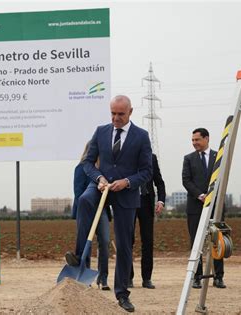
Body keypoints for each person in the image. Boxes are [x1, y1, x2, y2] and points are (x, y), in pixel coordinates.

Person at [65, 95, 153, 312]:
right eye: (112, 113)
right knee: (84, 200)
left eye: (120, 114)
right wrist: (99, 178)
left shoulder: (141, 137)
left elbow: (147, 171)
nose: (115, 118)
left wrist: (127, 182)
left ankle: (122, 293)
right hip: (101, 186)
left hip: (125, 192)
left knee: (123, 245)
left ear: (130, 112)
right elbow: (87, 162)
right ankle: (79, 257)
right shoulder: (101, 131)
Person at [182, 128, 226, 289]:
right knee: (196, 241)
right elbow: (186, 180)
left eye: (197, 140)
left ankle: (219, 277)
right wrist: (200, 195)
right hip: (195, 206)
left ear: (206, 139)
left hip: (216, 205)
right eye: (192, 140)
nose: (194, 143)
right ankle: (197, 276)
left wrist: (213, 196)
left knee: (217, 240)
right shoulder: (188, 159)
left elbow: (223, 177)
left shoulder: (219, 157)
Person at [72, 142, 111, 291]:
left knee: (105, 241)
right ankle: (84, 277)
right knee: (85, 243)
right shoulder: (81, 168)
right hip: (86, 211)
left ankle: (103, 278)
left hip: (101, 210)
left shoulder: (103, 170)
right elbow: (78, 192)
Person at [129, 153, 166, 289]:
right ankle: (128, 278)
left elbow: (159, 182)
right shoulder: (124, 154)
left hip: (146, 202)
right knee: (128, 240)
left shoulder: (151, 157)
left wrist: (161, 200)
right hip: (128, 202)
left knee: (148, 241)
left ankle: (147, 278)